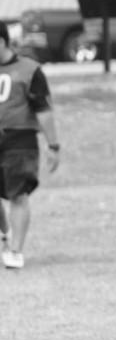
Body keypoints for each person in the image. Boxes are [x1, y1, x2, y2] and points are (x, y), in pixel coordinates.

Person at [0, 21, 60, 270]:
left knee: (17, 194)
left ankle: (15, 251)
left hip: (19, 140)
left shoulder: (29, 70)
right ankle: (4, 235)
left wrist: (53, 145)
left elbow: (43, 110)